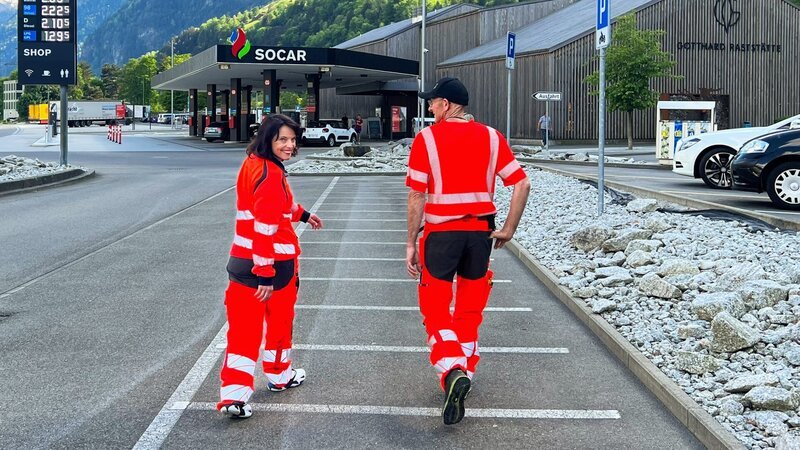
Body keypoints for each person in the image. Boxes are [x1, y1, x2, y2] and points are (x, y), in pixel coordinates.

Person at [406, 77, 531, 425]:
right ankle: (466, 375)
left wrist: (409, 243)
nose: (430, 108)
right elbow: (522, 182)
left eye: (432, 103)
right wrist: (508, 229)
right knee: (469, 311)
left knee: (435, 309)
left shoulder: (426, 139)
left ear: (446, 105)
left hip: (441, 236)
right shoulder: (492, 137)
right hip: (480, 236)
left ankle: (450, 369)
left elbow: (417, 195)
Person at [216, 114, 324, 419]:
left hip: (240, 260)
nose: (289, 145)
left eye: (292, 139)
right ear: (268, 140)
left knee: (242, 331)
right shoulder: (272, 174)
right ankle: (279, 375)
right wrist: (265, 273)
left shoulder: (253, 164)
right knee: (278, 325)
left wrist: (302, 214)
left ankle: (234, 395)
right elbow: (265, 226)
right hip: (273, 265)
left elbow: (273, 205)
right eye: (282, 140)